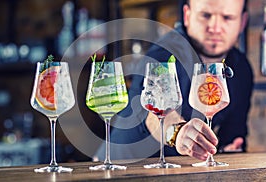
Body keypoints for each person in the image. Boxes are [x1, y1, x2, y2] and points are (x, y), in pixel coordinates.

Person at [95, 0, 253, 161]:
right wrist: (177, 131)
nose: (215, 27)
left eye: (227, 17)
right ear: (187, 15)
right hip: (118, 167)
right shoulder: (165, 52)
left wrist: (228, 148)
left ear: (242, 22)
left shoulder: (240, 67)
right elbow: (149, 111)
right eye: (206, 15)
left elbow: (234, 132)